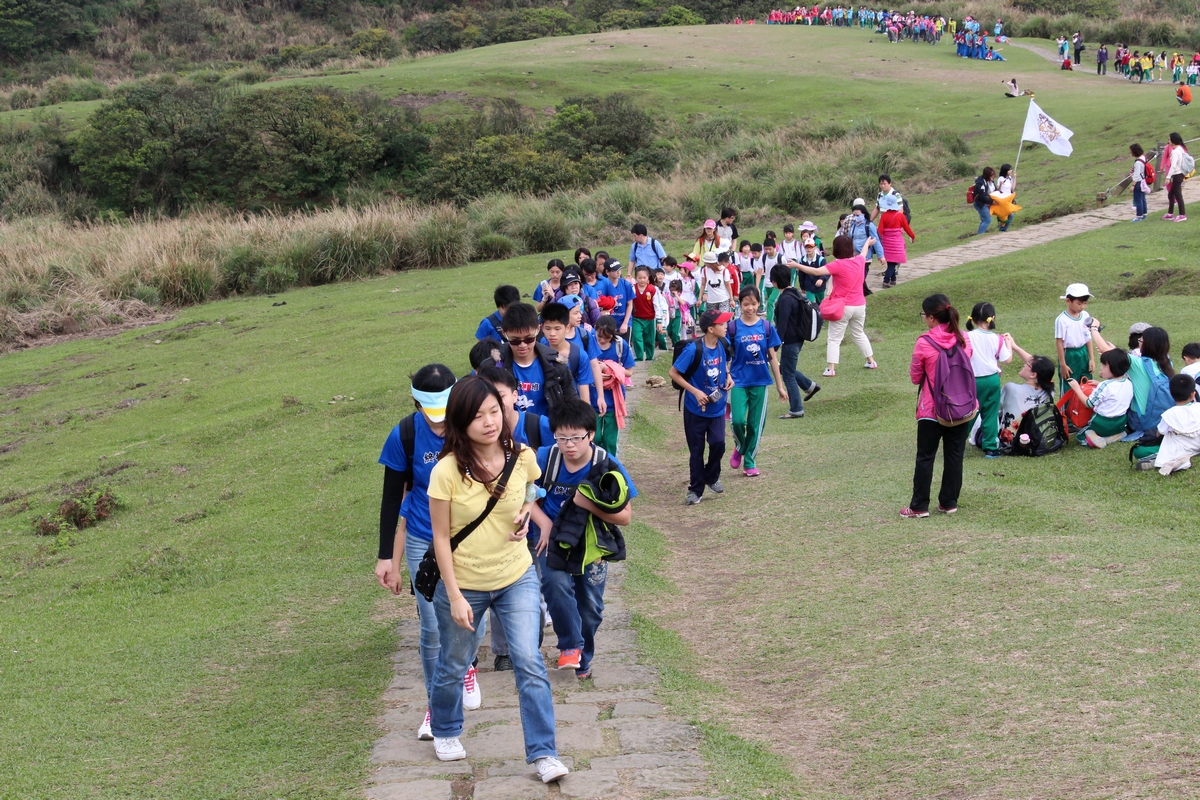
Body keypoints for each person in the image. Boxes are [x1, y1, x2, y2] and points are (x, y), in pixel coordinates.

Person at [426, 377, 569, 783]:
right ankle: (447, 730)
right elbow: (440, 537)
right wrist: (453, 595)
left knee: (528, 658)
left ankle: (544, 753)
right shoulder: (446, 471)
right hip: (463, 582)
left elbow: (530, 489)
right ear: (459, 422)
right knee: (454, 663)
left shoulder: (521, 454)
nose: (489, 422)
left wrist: (525, 510)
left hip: (514, 575)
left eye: (494, 411)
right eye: (477, 416)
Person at [377, 364, 479, 741]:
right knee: (432, 623)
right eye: (430, 414)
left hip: (471, 536)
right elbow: (392, 498)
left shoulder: (473, 422)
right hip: (423, 536)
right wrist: (386, 555)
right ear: (416, 403)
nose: (439, 425)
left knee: (471, 614)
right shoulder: (404, 434)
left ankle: (467, 665)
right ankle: (436, 709)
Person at [536, 398, 636, 678]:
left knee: (590, 606)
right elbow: (522, 495)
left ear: (591, 435)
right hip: (552, 538)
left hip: (591, 541)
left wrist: (587, 504)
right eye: (562, 437)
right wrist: (543, 521)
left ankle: (583, 657)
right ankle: (569, 646)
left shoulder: (606, 464)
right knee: (554, 584)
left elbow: (626, 516)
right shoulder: (545, 458)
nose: (569, 445)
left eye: (576, 438)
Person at [903, 295, 976, 519]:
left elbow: (916, 377)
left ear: (932, 317)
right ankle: (949, 502)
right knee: (955, 455)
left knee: (925, 457)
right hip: (962, 407)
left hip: (931, 410)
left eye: (924, 315)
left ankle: (919, 506)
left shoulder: (924, 342)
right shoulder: (964, 339)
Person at [669, 309, 734, 506]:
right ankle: (695, 490)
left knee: (719, 443)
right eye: (721, 324)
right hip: (695, 409)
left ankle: (712, 477)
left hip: (718, 406)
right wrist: (695, 392)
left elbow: (728, 362)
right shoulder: (693, 349)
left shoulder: (724, 343)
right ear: (710, 329)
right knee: (696, 450)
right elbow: (674, 373)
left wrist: (729, 376)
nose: (725, 327)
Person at [793, 235, 879, 377]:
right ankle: (871, 361)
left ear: (836, 249)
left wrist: (796, 265)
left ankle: (831, 369)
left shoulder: (838, 264)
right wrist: (867, 243)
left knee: (834, 338)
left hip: (843, 307)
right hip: (860, 305)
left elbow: (816, 272)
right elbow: (863, 253)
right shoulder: (859, 261)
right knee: (859, 333)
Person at [727, 286, 787, 478]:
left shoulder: (766, 327)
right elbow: (726, 356)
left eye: (753, 304)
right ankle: (740, 446)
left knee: (755, 424)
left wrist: (779, 385)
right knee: (737, 420)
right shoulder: (732, 327)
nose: (750, 308)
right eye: (746, 304)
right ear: (740, 304)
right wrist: (726, 375)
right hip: (738, 381)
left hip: (760, 381)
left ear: (759, 304)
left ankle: (749, 460)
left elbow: (773, 358)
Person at [479, 303, 577, 417]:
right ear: (504, 333)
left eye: (529, 339)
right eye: (515, 340)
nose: (522, 345)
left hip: (547, 430)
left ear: (538, 330)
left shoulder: (556, 365)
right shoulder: (490, 367)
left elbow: (572, 405)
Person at [771, 264, 820, 420]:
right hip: (797, 338)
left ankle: (796, 409)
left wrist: (775, 346)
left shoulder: (785, 299)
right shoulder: (794, 293)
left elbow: (782, 325)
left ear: (775, 282)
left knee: (788, 374)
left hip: (791, 341)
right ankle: (809, 386)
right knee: (786, 369)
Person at [965, 303, 1011, 458]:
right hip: (992, 380)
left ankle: (957, 443)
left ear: (973, 318)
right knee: (990, 413)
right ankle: (990, 447)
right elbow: (1007, 359)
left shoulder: (967, 336)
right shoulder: (997, 339)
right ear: (993, 318)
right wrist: (1009, 344)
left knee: (969, 412)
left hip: (972, 380)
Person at [997, 335, 1057, 450]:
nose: (1025, 364)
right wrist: (1015, 347)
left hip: (1009, 443)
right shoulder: (1049, 391)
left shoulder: (1011, 389)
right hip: (1035, 439)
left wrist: (1012, 346)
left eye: (1028, 365)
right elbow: (1043, 369)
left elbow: (996, 409)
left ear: (1033, 374)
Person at [1065, 348, 1133, 448]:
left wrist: (1077, 389)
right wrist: (1099, 384)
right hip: (1120, 423)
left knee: (1080, 435)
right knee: (1114, 429)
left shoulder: (1105, 386)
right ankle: (1115, 436)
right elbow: (1114, 391)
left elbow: (1089, 403)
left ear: (1114, 368)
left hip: (1102, 423)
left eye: (1104, 366)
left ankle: (1102, 440)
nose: (1101, 368)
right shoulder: (1128, 383)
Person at [538, 301, 595, 409]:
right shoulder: (538, 351)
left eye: (557, 328)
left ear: (567, 328)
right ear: (542, 328)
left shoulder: (579, 355)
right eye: (548, 328)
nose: (552, 333)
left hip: (570, 410)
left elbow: (584, 391)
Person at [1153, 375, 1200, 474]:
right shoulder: (1198, 407)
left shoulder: (1169, 414)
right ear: (1193, 394)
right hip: (1198, 445)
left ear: (1170, 394)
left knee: (1142, 451)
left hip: (1181, 449)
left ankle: (1178, 461)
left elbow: (1160, 432)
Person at [1055, 283, 1095, 394]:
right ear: (1068, 301)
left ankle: (1085, 409)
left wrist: (1091, 358)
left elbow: (1088, 337)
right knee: (1070, 384)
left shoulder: (1085, 315)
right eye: (1079, 303)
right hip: (1070, 355)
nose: (1082, 307)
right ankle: (1067, 410)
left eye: (1085, 303)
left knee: (1086, 383)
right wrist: (1063, 364)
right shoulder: (1062, 320)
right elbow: (1059, 342)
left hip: (1083, 353)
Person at [845, 198, 885, 289]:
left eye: (858, 215)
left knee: (859, 278)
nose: (856, 217)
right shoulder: (853, 225)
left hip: (865, 257)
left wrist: (881, 256)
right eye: (854, 215)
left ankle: (863, 294)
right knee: (857, 278)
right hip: (854, 256)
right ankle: (865, 293)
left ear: (863, 214)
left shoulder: (869, 225)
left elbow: (876, 241)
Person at [877, 193, 915, 286]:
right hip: (897, 243)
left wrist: (877, 241)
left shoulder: (884, 216)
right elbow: (907, 228)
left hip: (886, 242)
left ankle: (893, 279)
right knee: (893, 263)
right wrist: (912, 236)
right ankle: (886, 280)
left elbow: (879, 231)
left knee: (891, 261)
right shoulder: (900, 216)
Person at [598, 260, 635, 340]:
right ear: (607, 272)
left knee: (624, 348)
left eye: (620, 269)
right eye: (615, 270)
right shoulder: (603, 285)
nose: (619, 272)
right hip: (608, 324)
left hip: (624, 323)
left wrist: (625, 323)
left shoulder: (626, 284)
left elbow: (630, 305)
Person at [630, 266, 659, 362]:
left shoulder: (652, 289)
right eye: (639, 278)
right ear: (636, 278)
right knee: (637, 337)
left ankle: (650, 356)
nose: (642, 280)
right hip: (637, 318)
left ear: (648, 278)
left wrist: (659, 320)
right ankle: (639, 356)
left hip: (650, 318)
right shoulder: (633, 289)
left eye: (644, 278)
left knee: (649, 339)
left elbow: (657, 305)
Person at [1163, 132, 1189, 222]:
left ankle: (1182, 215)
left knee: (1177, 195)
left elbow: (1173, 166)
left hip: (1177, 174)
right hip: (1179, 174)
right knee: (1171, 194)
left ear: (1173, 141)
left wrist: (1168, 177)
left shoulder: (1175, 151)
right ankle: (1170, 214)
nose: (1168, 141)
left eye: (1169, 139)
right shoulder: (1180, 149)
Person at [972, 167, 997, 235]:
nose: (993, 176)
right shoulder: (981, 183)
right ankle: (980, 234)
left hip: (988, 202)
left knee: (985, 219)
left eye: (993, 174)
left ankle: (981, 233)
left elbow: (995, 190)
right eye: (991, 175)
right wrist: (992, 202)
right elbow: (982, 196)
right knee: (987, 219)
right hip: (981, 204)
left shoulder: (991, 181)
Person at [994, 164, 1019, 232]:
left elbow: (1012, 188)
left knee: (1008, 214)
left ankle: (1003, 228)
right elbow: (998, 190)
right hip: (1003, 199)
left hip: (1009, 198)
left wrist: (1015, 178)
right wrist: (1001, 184)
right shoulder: (1001, 179)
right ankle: (1002, 228)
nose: (1011, 171)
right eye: (1009, 169)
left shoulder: (1010, 178)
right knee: (1009, 214)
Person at [1130, 143, 1150, 222]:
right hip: (1143, 181)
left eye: (1131, 151)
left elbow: (1137, 174)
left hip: (1138, 182)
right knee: (1142, 198)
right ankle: (1144, 214)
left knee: (1138, 199)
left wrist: (1133, 185)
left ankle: (1139, 216)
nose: (1130, 153)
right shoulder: (1144, 158)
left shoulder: (1138, 163)